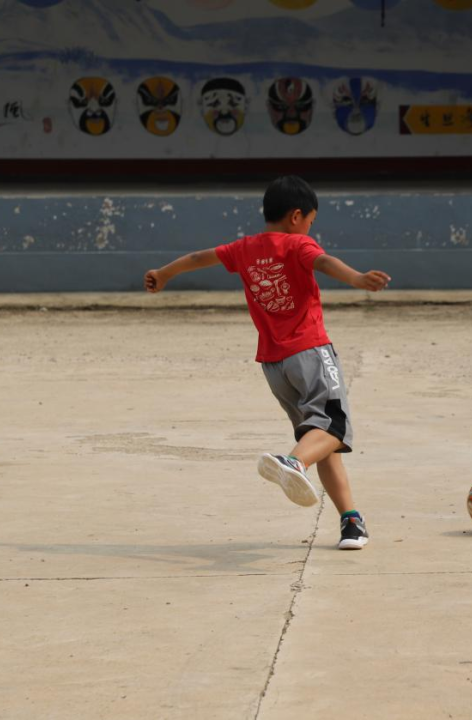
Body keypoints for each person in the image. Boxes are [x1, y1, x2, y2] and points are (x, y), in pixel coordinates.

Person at [143, 176, 391, 549]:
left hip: (275, 366)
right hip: (310, 351)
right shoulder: (297, 244)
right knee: (333, 429)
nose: (310, 229)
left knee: (320, 439)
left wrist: (163, 274)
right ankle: (292, 463)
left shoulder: (244, 248)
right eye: (311, 221)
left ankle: (351, 521)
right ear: (296, 216)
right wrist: (357, 278)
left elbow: (198, 258)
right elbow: (324, 261)